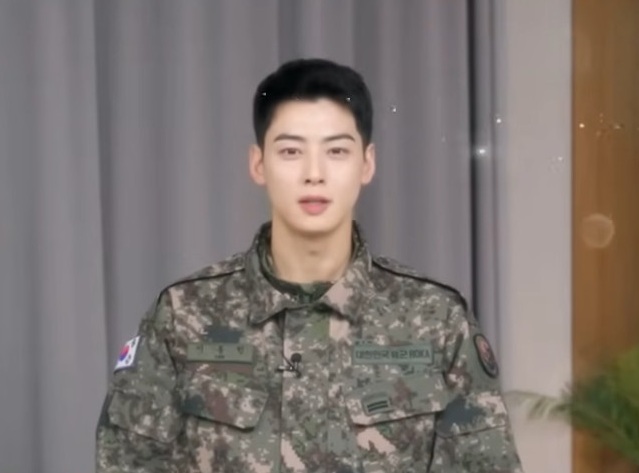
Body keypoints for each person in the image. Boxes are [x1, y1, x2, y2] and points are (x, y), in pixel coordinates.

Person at [95, 58, 524, 473]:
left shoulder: (435, 318)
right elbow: (127, 462)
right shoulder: (184, 315)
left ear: (367, 164)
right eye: (290, 151)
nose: (313, 173)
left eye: (336, 150)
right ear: (258, 164)